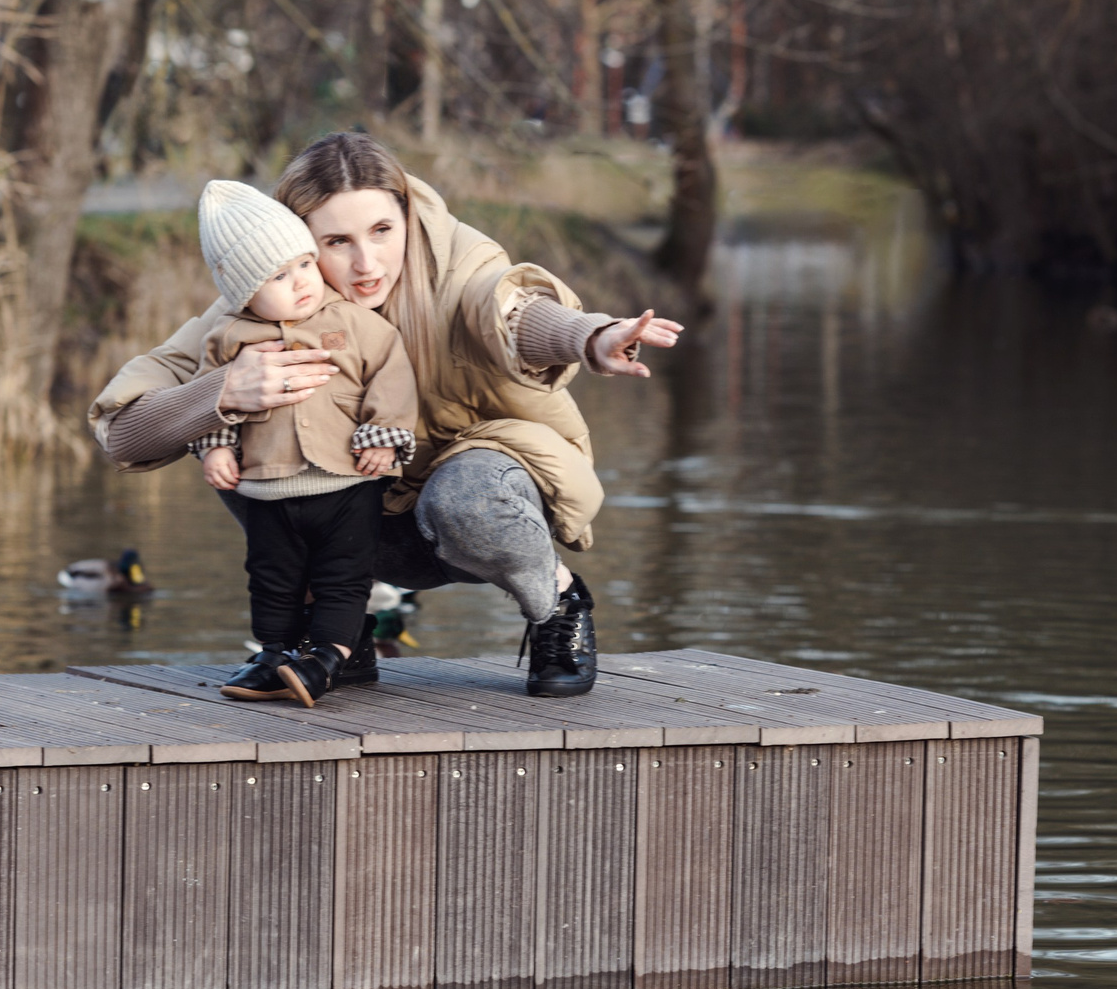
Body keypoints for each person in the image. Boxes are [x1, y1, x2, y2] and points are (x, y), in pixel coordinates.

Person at [89, 131, 681, 697]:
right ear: (296, 243)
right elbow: (123, 430)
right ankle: (334, 638)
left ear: (408, 219)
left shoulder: (458, 268)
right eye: (336, 242)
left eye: (381, 231)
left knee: (465, 496)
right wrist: (222, 394)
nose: (367, 262)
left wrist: (590, 336)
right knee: (250, 453)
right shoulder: (254, 312)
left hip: (478, 505)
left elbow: (510, 310)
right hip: (359, 516)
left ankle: (558, 604)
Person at [189, 180, 417, 706]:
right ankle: (275, 653)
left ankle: (330, 656)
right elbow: (210, 394)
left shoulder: (354, 323)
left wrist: (384, 437)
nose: (300, 283)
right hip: (268, 485)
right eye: (278, 276)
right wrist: (216, 445)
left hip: (346, 480)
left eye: (305, 265)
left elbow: (392, 375)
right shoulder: (226, 337)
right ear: (243, 291)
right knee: (271, 576)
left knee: (344, 576)